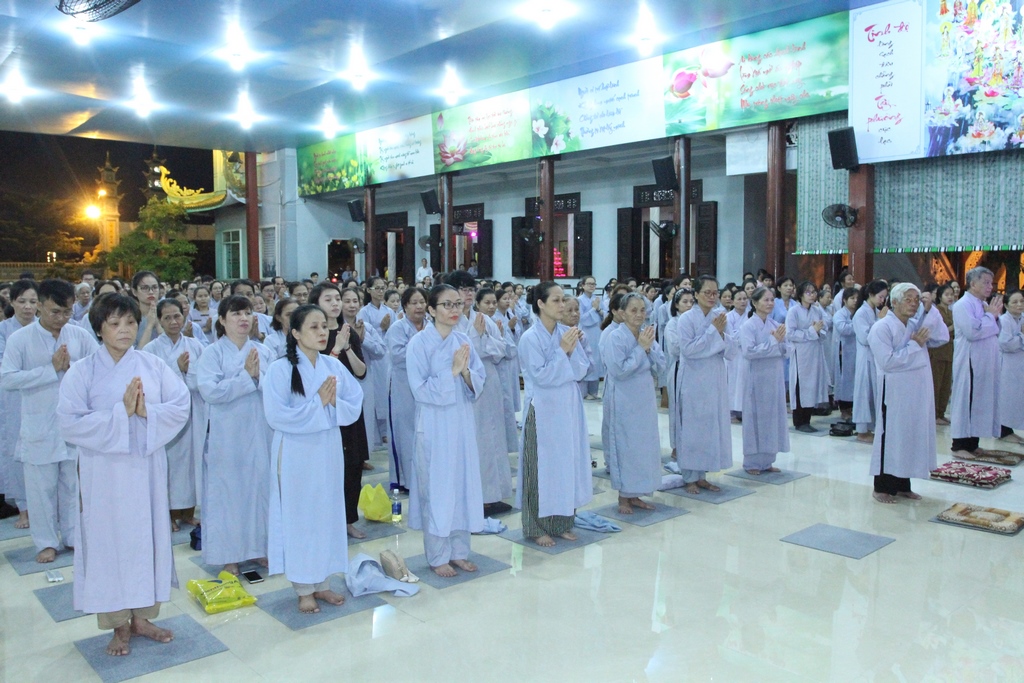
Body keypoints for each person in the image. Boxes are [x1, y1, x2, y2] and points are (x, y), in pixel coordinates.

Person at [58, 293, 191, 656]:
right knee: (107, 544)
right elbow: (69, 423)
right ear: (99, 328)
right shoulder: (82, 371)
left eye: (130, 322)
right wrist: (121, 414)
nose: (124, 330)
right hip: (103, 474)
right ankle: (118, 624)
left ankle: (143, 618)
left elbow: (180, 406)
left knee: (146, 539)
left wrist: (148, 412)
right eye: (114, 323)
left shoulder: (153, 365)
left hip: (145, 470)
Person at [263, 305, 363, 613]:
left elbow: (354, 399)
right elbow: (276, 415)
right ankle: (303, 588)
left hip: (327, 449)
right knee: (301, 517)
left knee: (326, 513)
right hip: (296, 453)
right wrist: (318, 404)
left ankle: (323, 582)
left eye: (324, 326)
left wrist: (332, 406)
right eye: (314, 327)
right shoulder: (279, 369)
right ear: (295, 333)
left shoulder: (331, 366)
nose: (322, 332)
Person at [1, 279, 98, 562]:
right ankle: (45, 542)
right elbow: (7, 379)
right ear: (40, 306)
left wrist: (72, 368)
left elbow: (98, 368)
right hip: (38, 425)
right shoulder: (21, 339)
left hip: (73, 424)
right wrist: (50, 369)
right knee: (40, 490)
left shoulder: (78, 334)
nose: (62, 318)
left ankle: (72, 536)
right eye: (55, 311)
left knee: (72, 486)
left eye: (67, 311)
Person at [406, 285, 485, 575]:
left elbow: (478, 380)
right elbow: (419, 389)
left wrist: (465, 372)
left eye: (458, 304)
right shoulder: (419, 344)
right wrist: (450, 372)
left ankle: (459, 551)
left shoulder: (463, 340)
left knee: (462, 485)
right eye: (447, 305)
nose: (454, 310)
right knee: (437, 490)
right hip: (434, 425)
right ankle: (438, 555)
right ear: (431, 310)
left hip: (461, 422)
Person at [196, 295, 274, 575]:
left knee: (260, 489)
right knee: (228, 494)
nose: (243, 319)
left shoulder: (263, 351)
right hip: (226, 435)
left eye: (247, 313)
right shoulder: (212, 353)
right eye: (236, 314)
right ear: (222, 320)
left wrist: (258, 378)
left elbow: (274, 386)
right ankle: (229, 556)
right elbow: (210, 391)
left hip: (260, 430)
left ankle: (260, 548)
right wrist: (247, 378)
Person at [516, 282, 592, 546]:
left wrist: (567, 352)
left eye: (563, 300)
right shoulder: (529, 338)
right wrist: (563, 352)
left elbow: (581, 369)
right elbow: (541, 376)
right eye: (556, 301)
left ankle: (562, 522)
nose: (563, 306)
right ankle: (535, 527)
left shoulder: (566, 333)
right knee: (540, 468)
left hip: (567, 407)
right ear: (540, 304)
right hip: (543, 409)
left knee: (566, 465)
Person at [311, 282, 372, 538]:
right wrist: (335, 348)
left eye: (337, 298)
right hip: (324, 408)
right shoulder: (313, 335)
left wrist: (346, 345)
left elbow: (361, 372)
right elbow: (318, 373)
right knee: (328, 465)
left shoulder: (349, 333)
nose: (335, 303)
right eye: (329, 299)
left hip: (349, 407)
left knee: (353, 465)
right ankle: (326, 520)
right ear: (316, 303)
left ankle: (348, 519)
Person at [868, 283, 935, 503]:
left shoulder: (913, 324)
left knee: (908, 435)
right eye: (908, 299)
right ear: (894, 302)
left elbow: (942, 336)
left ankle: (903, 485)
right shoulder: (881, 328)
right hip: (893, 393)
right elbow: (887, 362)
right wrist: (914, 346)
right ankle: (882, 487)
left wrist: (928, 309)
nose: (914, 303)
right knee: (890, 436)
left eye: (916, 299)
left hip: (914, 392)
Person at [143, 298, 205, 531]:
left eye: (177, 316)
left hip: (194, 411)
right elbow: (151, 384)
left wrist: (188, 372)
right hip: (167, 415)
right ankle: (167, 514)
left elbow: (204, 377)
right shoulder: (151, 350)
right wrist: (177, 368)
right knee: (169, 464)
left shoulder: (196, 345)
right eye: (167, 317)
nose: (173, 321)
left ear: (184, 316)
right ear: (159, 320)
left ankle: (188, 512)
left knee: (192, 464)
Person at [600, 293, 665, 514]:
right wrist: (640, 349)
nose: (639, 314)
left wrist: (648, 348)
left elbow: (661, 365)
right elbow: (619, 370)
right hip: (624, 398)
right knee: (626, 445)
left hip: (644, 398)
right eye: (633, 310)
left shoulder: (646, 334)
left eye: (642, 310)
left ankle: (637, 492)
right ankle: (624, 496)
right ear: (622, 313)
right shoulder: (615, 337)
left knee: (643, 445)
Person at [674, 275, 733, 494]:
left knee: (709, 426)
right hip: (693, 379)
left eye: (715, 292)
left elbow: (732, 348)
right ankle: (690, 476)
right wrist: (713, 333)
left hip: (714, 377)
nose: (711, 296)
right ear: (696, 294)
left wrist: (721, 336)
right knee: (693, 427)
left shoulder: (720, 316)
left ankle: (702, 475)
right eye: (707, 292)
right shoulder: (686, 319)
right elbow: (688, 350)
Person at [469, 289, 515, 514]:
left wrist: (483, 338)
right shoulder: (451, 323)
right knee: (477, 440)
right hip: (468, 383)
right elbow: (465, 353)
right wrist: (479, 341)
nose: (466, 295)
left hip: (490, 381)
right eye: (462, 290)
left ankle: (493, 494)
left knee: (494, 438)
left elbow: (501, 350)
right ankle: (477, 496)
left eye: (469, 290)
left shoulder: (487, 322)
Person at [950, 267, 1003, 458]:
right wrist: (991, 316)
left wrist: (991, 316)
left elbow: (995, 329)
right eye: (986, 282)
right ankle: (959, 445)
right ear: (973, 284)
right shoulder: (962, 305)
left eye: (991, 283)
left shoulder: (983, 304)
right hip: (969, 362)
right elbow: (973, 332)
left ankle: (973, 444)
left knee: (979, 401)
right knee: (967, 400)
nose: (990, 287)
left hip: (984, 362)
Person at [739, 287, 790, 474]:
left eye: (772, 300)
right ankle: (751, 462)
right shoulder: (748, 326)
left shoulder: (775, 324)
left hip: (773, 377)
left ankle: (767, 460)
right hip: (756, 377)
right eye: (765, 300)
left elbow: (787, 349)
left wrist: (781, 343)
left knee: (771, 417)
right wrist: (773, 343)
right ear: (755, 302)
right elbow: (749, 352)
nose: (770, 303)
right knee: (755, 418)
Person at [0, 279, 37, 528]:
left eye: (33, 301)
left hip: (41, 396)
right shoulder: (3, 330)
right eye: (22, 301)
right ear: (12, 302)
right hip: (12, 399)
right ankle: (23, 508)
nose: (27, 307)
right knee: (14, 451)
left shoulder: (44, 329)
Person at [385, 287, 428, 492]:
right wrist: (421, 349)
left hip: (426, 386)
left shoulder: (431, 326)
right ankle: (405, 480)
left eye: (422, 302)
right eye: (414, 303)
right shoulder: (398, 328)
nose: (419, 306)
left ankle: (424, 477)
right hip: (402, 386)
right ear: (405, 306)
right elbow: (397, 356)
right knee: (405, 432)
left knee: (424, 432)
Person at [786, 281, 829, 433]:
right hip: (801, 353)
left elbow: (824, 329)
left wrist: (818, 331)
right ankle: (799, 421)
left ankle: (807, 419)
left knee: (812, 385)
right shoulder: (794, 311)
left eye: (814, 292)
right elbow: (790, 333)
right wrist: (811, 331)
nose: (812, 295)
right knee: (801, 385)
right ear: (801, 294)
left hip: (814, 353)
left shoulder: (817, 311)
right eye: (808, 292)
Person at [853, 280, 889, 443]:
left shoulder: (875, 311)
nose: (882, 300)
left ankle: (873, 427)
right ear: (871, 294)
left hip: (876, 358)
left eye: (884, 297)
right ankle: (862, 430)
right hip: (865, 358)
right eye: (880, 297)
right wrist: (879, 321)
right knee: (864, 394)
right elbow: (865, 337)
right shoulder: (860, 313)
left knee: (875, 394)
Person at [357, 277, 392, 446]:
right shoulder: (364, 312)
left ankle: (386, 429)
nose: (380, 291)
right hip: (371, 355)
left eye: (382, 287)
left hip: (386, 354)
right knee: (376, 391)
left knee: (385, 389)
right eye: (376, 288)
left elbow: (393, 331)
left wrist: (387, 328)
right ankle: (378, 431)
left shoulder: (388, 310)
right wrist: (381, 328)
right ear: (368, 290)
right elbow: (365, 333)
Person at [663, 288, 695, 459]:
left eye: (692, 302)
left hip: (696, 370)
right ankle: (676, 445)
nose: (689, 305)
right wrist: (696, 346)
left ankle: (692, 443)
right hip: (678, 368)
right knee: (678, 408)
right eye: (685, 302)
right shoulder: (672, 324)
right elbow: (675, 348)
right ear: (676, 305)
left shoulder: (696, 321)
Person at [493, 287, 521, 451]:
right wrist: (508, 328)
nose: (507, 301)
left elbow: (517, 335)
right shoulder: (495, 318)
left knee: (511, 394)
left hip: (511, 361)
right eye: (504, 299)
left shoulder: (509, 314)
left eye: (508, 298)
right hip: (501, 362)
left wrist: (511, 328)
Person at [999, 290, 1024, 444]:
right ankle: (1004, 431)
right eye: (1015, 302)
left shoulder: (1022, 318)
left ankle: (1011, 429)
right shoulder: (1004, 320)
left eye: (1021, 301)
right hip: (1007, 365)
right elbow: (1005, 343)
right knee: (1006, 398)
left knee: (1017, 399)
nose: (1019, 305)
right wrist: (1021, 336)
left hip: (1020, 365)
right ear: (1006, 305)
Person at [930, 284, 956, 425]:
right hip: (937, 351)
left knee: (946, 385)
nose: (950, 297)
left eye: (952, 294)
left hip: (950, 351)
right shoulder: (936, 311)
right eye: (947, 294)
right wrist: (954, 327)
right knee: (936, 384)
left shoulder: (952, 312)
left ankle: (941, 412)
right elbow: (938, 331)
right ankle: (934, 414)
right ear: (940, 296)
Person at [832, 288, 859, 421]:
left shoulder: (859, 313)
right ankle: (844, 409)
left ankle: (855, 408)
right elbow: (843, 329)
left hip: (857, 351)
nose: (855, 301)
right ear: (844, 300)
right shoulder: (840, 314)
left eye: (857, 298)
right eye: (852, 298)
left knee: (855, 380)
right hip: (844, 351)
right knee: (845, 381)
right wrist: (859, 325)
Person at [576, 276, 604, 399]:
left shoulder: (597, 299)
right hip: (586, 332)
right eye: (589, 284)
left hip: (597, 332)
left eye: (593, 284)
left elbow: (604, 314)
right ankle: (584, 391)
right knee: (587, 358)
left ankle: (594, 391)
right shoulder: (579, 300)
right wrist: (593, 309)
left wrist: (599, 309)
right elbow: (582, 318)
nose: (592, 286)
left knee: (597, 360)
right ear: (583, 285)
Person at [726, 288, 749, 422]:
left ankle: (744, 410)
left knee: (744, 382)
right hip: (734, 355)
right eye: (739, 299)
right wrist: (744, 332)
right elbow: (731, 337)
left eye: (745, 299)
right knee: (733, 382)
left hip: (747, 354)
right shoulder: (728, 317)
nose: (742, 301)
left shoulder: (751, 315)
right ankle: (731, 410)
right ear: (733, 301)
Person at [131, 271, 162, 348]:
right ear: (134, 292)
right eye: (145, 288)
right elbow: (137, 353)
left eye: (155, 287)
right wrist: (149, 326)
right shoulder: (131, 319)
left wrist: (158, 325)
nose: (151, 292)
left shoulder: (167, 314)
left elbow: (171, 347)